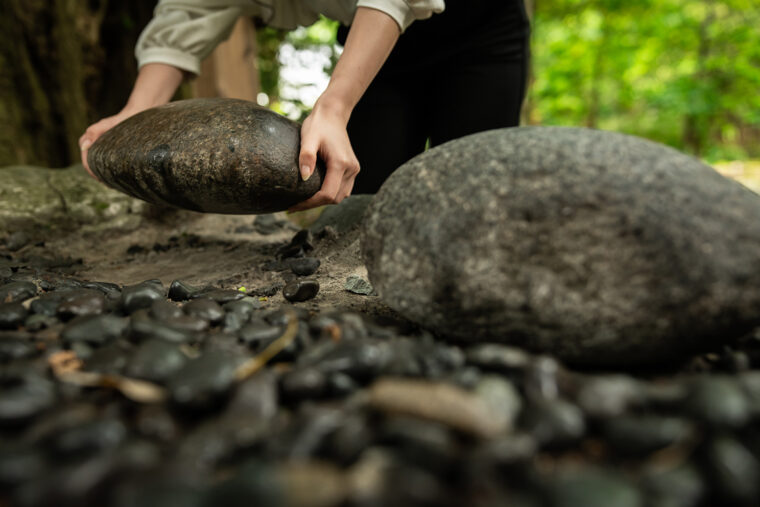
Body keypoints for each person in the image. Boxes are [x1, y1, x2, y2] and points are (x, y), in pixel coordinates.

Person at [79, 0, 530, 211]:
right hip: (376, 52)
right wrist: (136, 115)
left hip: (480, 37)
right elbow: (190, 10)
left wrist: (333, 108)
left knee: (477, 199)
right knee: (361, 203)